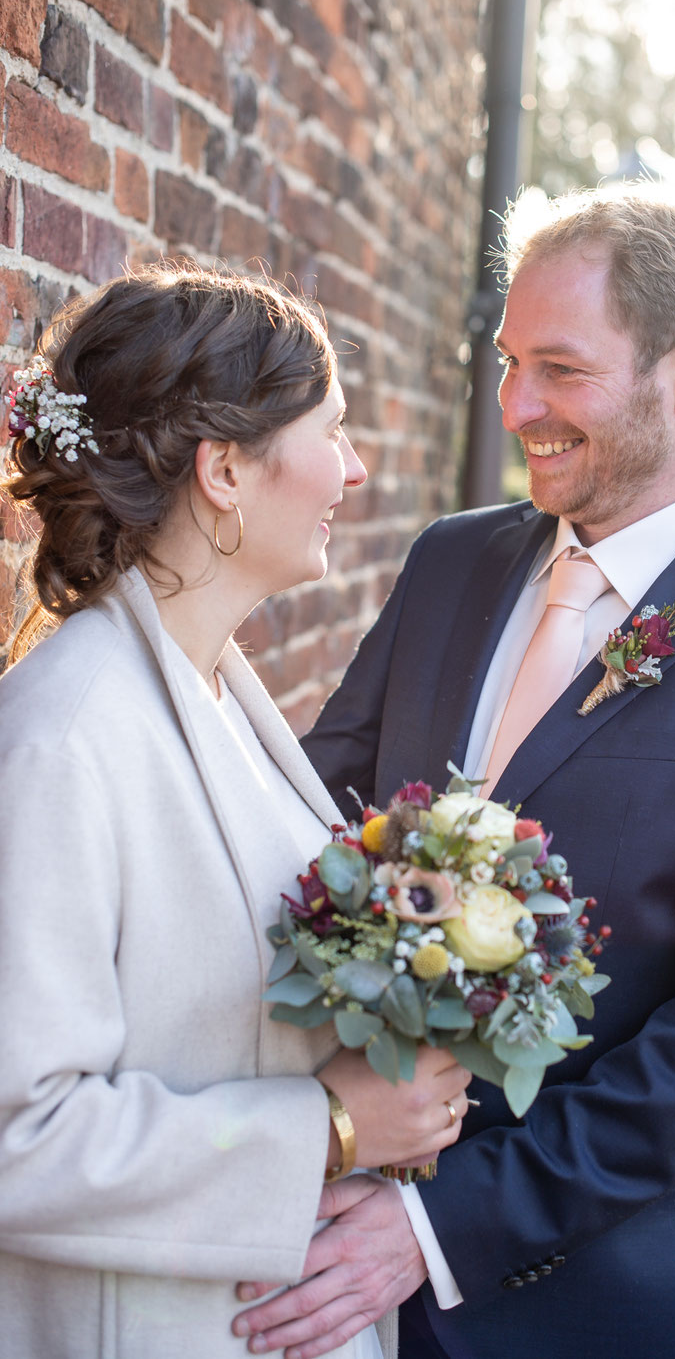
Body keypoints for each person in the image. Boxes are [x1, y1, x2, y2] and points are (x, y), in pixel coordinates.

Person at [232, 184, 675, 1359]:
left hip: (622, 1296)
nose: (514, 408)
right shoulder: (453, 562)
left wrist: (438, 1228)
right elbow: (306, 818)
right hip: (359, 1263)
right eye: (505, 363)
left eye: (559, 369)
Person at [0, 263, 471, 1359]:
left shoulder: (213, 689)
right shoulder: (63, 741)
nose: (352, 470)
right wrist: (334, 1128)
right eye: (333, 431)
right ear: (224, 469)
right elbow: (18, 1134)